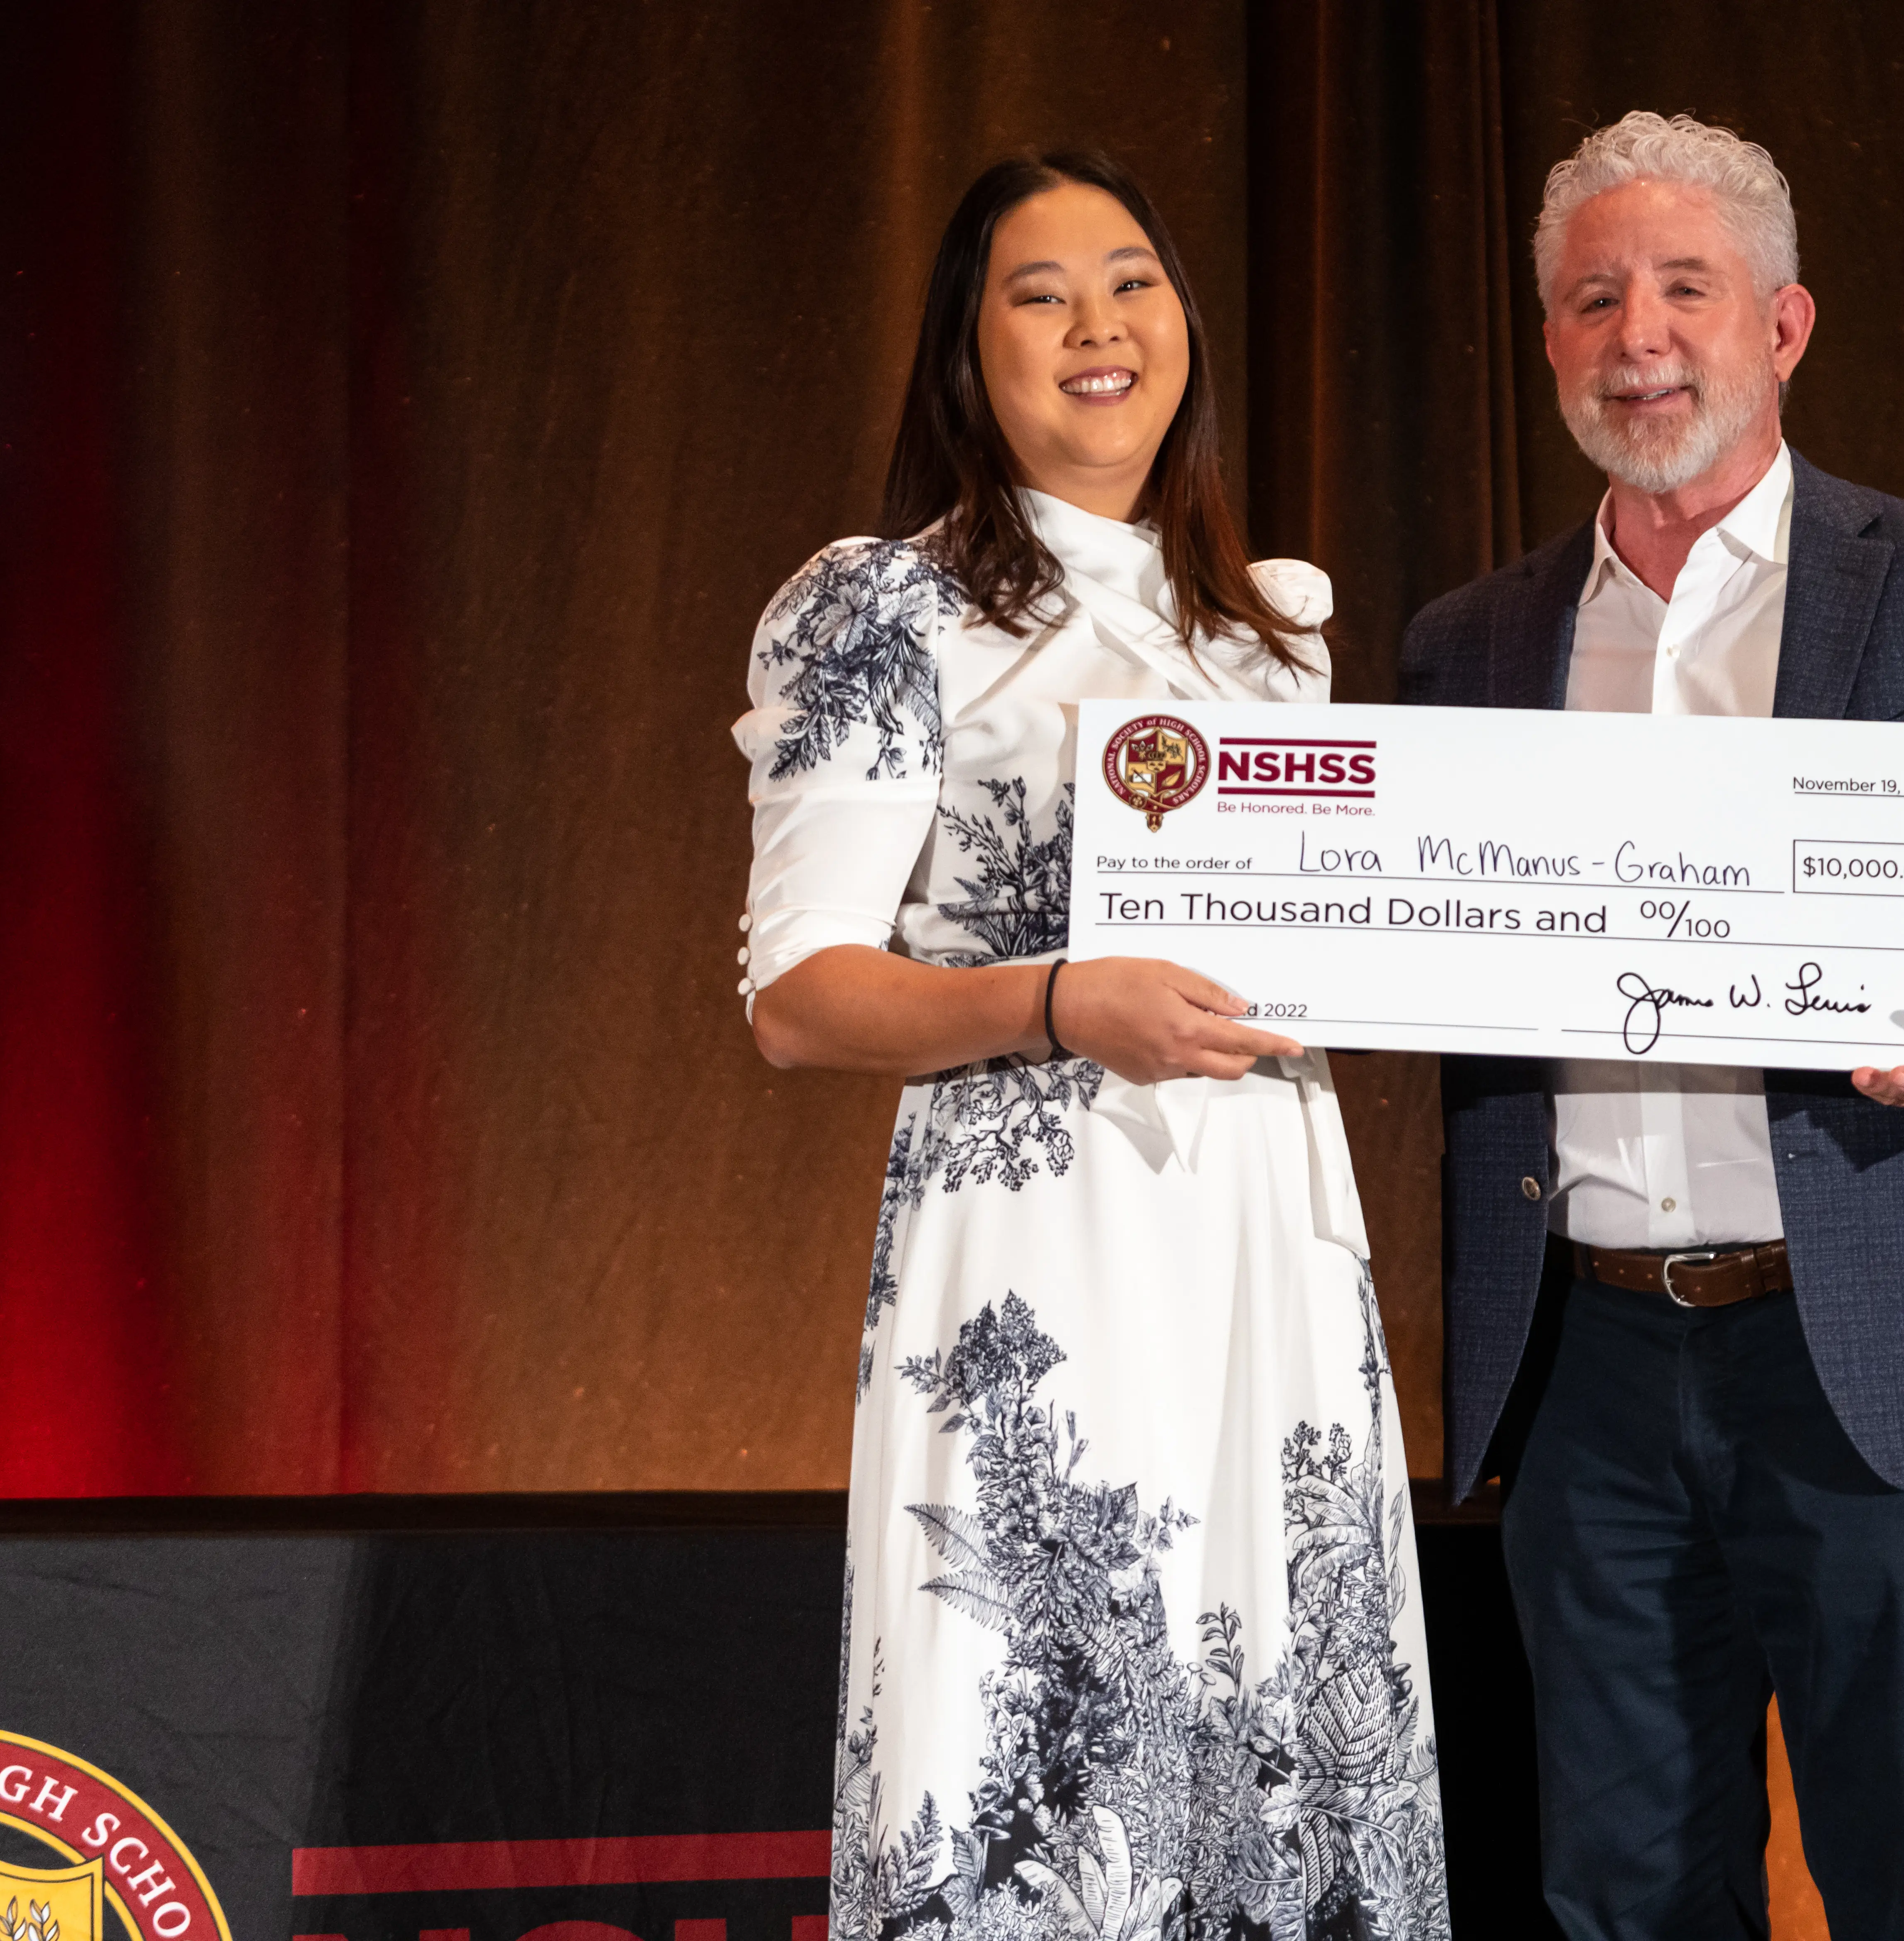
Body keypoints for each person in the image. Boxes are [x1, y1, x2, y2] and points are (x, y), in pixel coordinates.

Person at [1400, 113, 1904, 1941]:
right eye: (1593, 299)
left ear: (1784, 325)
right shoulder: (1470, 644)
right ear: (1550, 347)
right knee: (1621, 1900)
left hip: (1873, 1359)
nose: (1638, 334)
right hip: (1579, 1376)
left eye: (1685, 287)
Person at [736, 151, 1449, 1940]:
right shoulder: (887, 612)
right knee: (1049, 1759)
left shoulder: (1266, 631)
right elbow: (799, 994)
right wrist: (1062, 997)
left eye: (1130, 281)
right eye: (1038, 294)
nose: (1097, 327)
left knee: (1286, 1760)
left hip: (1270, 1246)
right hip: (1046, 1264)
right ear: (966, 354)